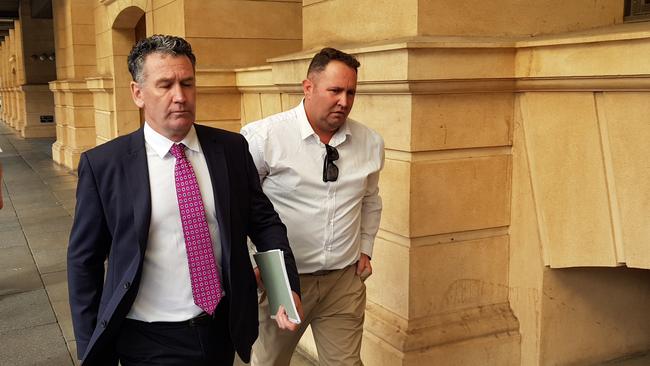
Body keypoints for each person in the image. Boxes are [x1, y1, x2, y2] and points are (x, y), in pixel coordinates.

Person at [67, 34, 302, 366]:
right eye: (165, 85)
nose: (180, 96)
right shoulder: (104, 165)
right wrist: (89, 345)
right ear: (138, 93)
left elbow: (263, 223)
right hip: (147, 338)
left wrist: (283, 288)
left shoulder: (231, 149)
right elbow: (84, 261)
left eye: (187, 83)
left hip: (222, 329)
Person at [241, 47, 384, 366]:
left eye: (351, 92)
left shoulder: (371, 142)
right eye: (335, 90)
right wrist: (256, 263)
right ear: (308, 87)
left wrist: (366, 247)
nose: (344, 101)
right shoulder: (264, 137)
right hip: (282, 278)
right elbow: (241, 207)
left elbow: (371, 199)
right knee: (269, 362)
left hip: (344, 280)